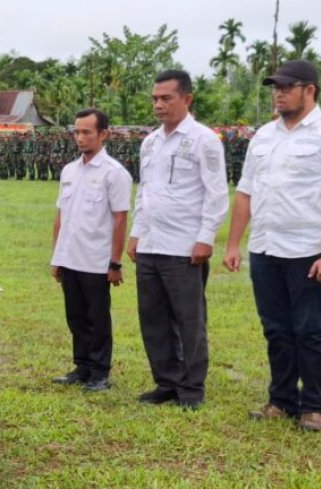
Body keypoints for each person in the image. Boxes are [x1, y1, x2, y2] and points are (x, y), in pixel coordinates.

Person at [222, 60, 321, 431]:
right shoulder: (264, 136)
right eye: (275, 87)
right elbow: (246, 192)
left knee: (309, 329)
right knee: (276, 329)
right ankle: (281, 400)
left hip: (308, 251)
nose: (278, 93)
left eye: (286, 86)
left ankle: (315, 406)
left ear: (309, 90)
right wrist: (234, 243)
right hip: (265, 248)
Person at [127, 70, 229, 410]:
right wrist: (136, 232)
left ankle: (191, 388)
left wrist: (205, 238)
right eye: (155, 98)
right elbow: (145, 191)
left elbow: (216, 194)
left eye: (166, 98)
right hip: (151, 244)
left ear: (187, 99)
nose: (158, 104)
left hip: (185, 248)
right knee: (152, 318)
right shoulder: (150, 142)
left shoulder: (204, 140)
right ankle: (166, 382)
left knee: (189, 320)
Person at [50, 109, 132, 391]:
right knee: (75, 316)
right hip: (70, 257)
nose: (80, 137)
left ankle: (100, 372)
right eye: (77, 131)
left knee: (97, 318)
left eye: (87, 132)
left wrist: (115, 263)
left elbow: (120, 218)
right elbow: (61, 215)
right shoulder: (70, 171)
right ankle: (82, 366)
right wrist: (56, 256)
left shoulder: (114, 173)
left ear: (103, 134)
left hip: (96, 260)